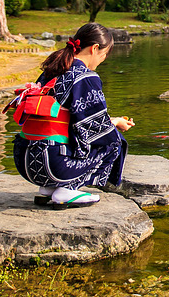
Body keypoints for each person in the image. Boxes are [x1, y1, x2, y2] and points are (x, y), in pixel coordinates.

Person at [10, 22, 134, 208]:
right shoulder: (85, 77)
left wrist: (112, 120)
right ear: (94, 48)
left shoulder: (51, 70)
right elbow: (96, 130)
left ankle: (49, 188)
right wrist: (114, 125)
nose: (102, 60)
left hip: (25, 161)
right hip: (51, 163)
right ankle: (67, 189)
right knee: (114, 141)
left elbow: (67, 118)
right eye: (104, 54)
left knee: (89, 133)